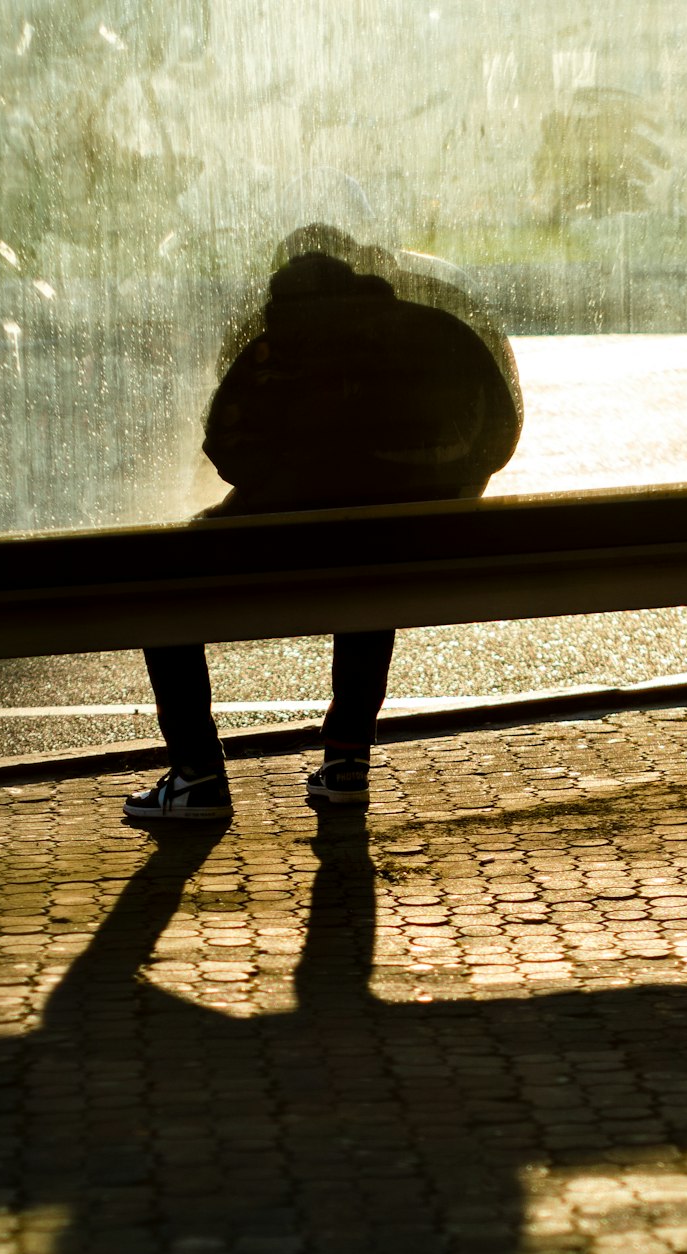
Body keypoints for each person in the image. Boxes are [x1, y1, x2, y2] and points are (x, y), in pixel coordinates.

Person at [123, 223, 523, 822]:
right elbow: (500, 428)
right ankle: (345, 764)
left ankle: (196, 776)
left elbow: (229, 449)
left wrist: (291, 470)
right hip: (413, 534)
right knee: (370, 583)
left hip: (295, 533)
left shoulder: (283, 337)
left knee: (159, 580)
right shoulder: (427, 328)